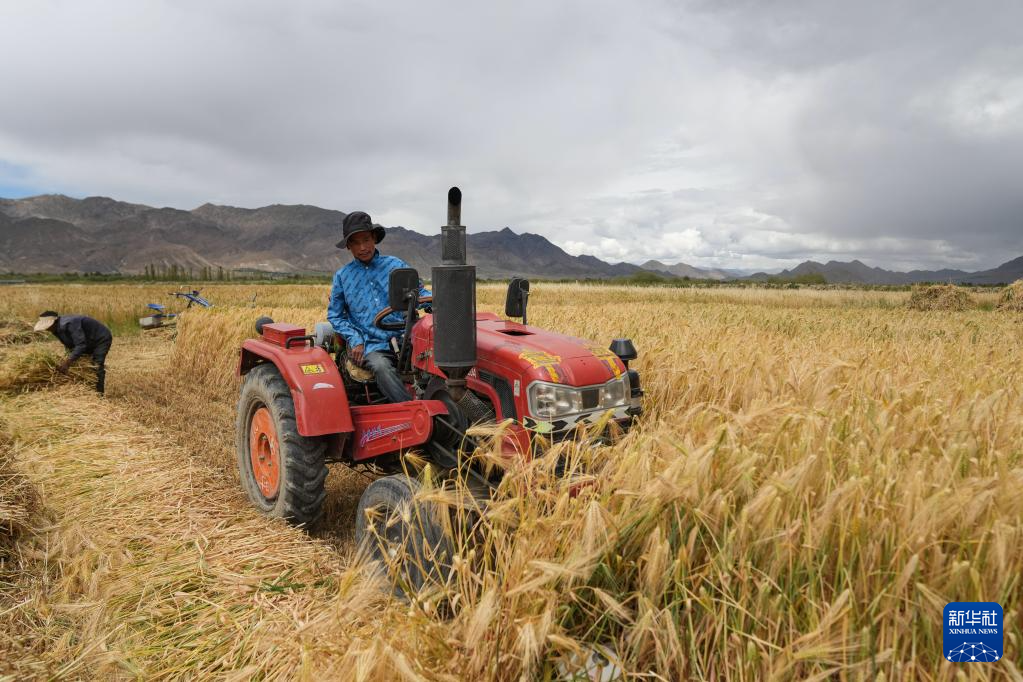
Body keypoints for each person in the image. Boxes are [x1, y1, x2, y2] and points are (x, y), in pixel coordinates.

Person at [327, 211, 430, 403]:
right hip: (371, 343)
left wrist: (435, 303)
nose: (363, 247)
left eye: (366, 240)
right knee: (381, 367)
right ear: (348, 246)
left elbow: (419, 293)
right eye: (356, 243)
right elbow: (335, 316)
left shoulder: (395, 266)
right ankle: (411, 410)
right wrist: (355, 338)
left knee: (436, 356)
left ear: (374, 238)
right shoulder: (343, 277)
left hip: (407, 337)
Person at [33, 311, 113, 394]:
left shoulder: (70, 323)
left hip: (100, 339)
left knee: (96, 365)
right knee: (80, 365)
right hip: (87, 339)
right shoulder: (55, 329)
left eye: (48, 327)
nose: (47, 329)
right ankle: (88, 391)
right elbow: (69, 344)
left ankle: (99, 394)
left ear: (54, 322)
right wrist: (68, 358)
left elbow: (80, 345)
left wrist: (68, 362)